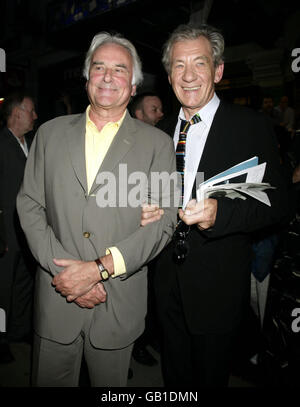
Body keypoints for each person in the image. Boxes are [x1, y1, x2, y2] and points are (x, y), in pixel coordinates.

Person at [16, 32, 177, 387]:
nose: (107, 76)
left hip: (118, 303)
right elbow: (29, 204)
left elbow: (165, 219)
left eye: (119, 69)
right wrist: (67, 272)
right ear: (87, 77)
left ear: (133, 85)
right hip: (57, 296)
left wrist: (99, 270)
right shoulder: (49, 134)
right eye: (99, 67)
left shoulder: (158, 144)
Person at [141, 24, 288, 387]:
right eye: (178, 65)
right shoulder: (157, 135)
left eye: (200, 63)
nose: (188, 76)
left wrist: (222, 213)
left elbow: (279, 202)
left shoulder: (249, 126)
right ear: (168, 73)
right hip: (165, 283)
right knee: (173, 375)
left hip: (218, 285)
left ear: (218, 70)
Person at [0, 91, 38, 364]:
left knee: (24, 282)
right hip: (5, 231)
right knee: (2, 287)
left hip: (28, 230)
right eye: (31, 111)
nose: (35, 116)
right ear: (16, 114)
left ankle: (18, 330)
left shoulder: (32, 143)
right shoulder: (1, 143)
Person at [129, 92, 164, 367]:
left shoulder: (161, 143)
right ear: (139, 114)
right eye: (154, 109)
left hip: (154, 235)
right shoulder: (126, 144)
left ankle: (139, 344)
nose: (160, 114)